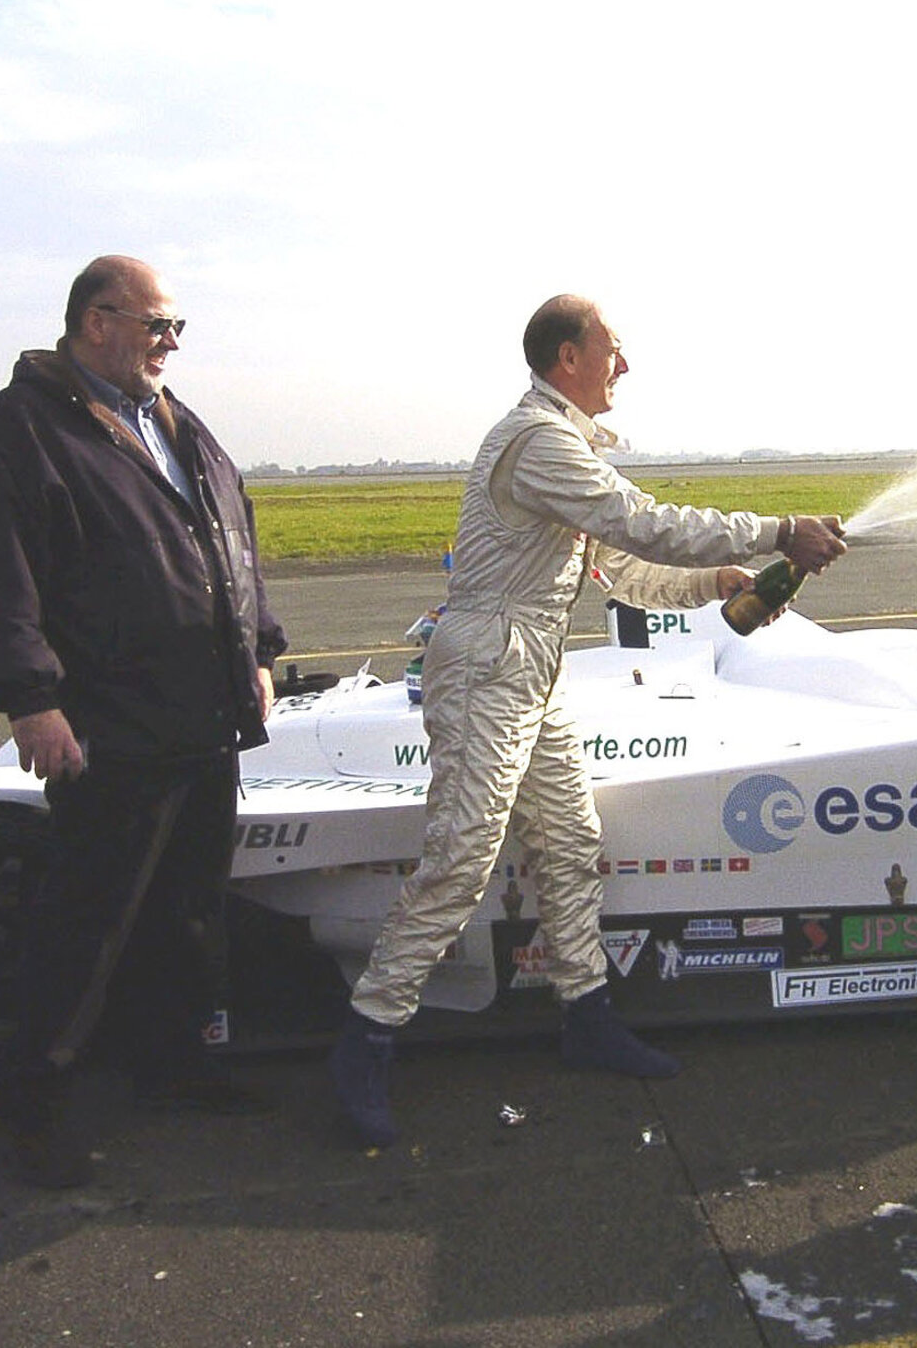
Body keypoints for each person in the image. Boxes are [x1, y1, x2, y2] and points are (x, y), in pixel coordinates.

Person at [328, 295, 847, 1149]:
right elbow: (639, 520)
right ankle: (366, 1038)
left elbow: (626, 568)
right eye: (613, 348)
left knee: (570, 841)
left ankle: (587, 1014)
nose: (625, 364)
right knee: (462, 858)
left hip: (531, 664)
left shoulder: (561, 445)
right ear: (568, 357)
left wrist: (719, 581)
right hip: (491, 663)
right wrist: (781, 528)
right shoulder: (541, 442)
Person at [0, 255, 287, 1189]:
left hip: (202, 719)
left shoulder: (176, 423)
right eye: (156, 324)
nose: (171, 343)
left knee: (185, 914)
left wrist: (258, 649)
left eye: (177, 328)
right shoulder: (21, 433)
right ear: (96, 322)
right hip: (109, 726)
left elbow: (233, 538)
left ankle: (171, 1069)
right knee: (84, 927)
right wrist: (30, 698)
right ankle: (32, 1114)